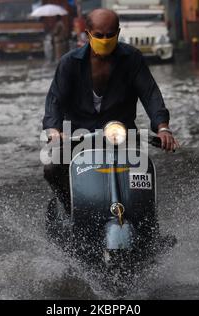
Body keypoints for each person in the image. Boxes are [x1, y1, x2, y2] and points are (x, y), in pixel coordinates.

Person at [42, 8, 179, 212]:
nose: (105, 40)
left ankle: (148, 229)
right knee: (51, 168)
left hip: (123, 137)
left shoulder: (132, 59)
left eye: (110, 35)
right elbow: (55, 100)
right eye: (99, 35)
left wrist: (163, 128)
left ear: (118, 32)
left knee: (142, 176)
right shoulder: (69, 63)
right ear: (87, 33)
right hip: (79, 138)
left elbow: (150, 94)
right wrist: (53, 130)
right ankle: (70, 209)